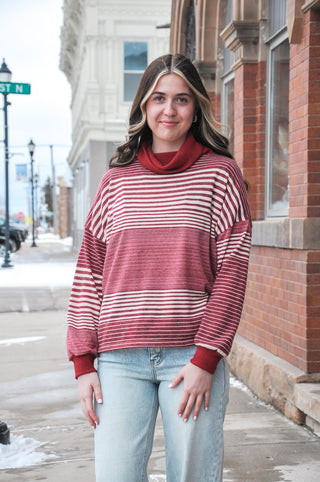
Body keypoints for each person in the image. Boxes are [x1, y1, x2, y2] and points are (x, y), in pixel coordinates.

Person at [67, 53, 251, 482]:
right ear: (144, 106)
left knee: (192, 476)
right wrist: (83, 361)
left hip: (190, 356)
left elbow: (232, 274)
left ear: (197, 107)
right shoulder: (116, 180)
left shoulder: (221, 176)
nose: (169, 110)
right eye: (159, 98)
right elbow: (89, 272)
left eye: (182, 99)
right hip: (118, 360)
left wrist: (207, 358)